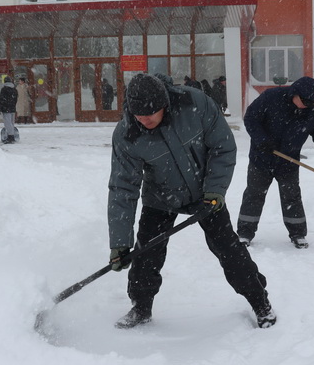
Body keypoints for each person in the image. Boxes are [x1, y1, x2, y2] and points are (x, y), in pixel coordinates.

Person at [108, 74, 276, 329]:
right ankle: (141, 307)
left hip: (205, 193)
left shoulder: (194, 104)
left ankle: (260, 302)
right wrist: (120, 243)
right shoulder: (127, 134)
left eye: (151, 112)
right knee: (146, 254)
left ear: (164, 103)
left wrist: (214, 191)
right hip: (161, 196)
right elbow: (123, 187)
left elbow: (223, 147)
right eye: (139, 114)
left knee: (229, 250)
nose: (145, 119)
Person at [237, 76, 314, 249]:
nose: (307, 105)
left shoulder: (312, 110)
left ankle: (298, 233)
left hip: (288, 161)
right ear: (295, 94)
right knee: (254, 194)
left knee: (292, 196)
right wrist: (261, 140)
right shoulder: (271, 97)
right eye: (305, 101)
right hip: (262, 158)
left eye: (312, 103)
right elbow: (251, 118)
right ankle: (244, 233)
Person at [0, 76, 18, 144]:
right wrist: (12, 105)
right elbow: (15, 99)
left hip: (6, 109)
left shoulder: (4, 89)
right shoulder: (14, 89)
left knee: (7, 123)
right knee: (11, 122)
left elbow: (1, 99)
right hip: (12, 108)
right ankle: (12, 136)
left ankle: (10, 136)